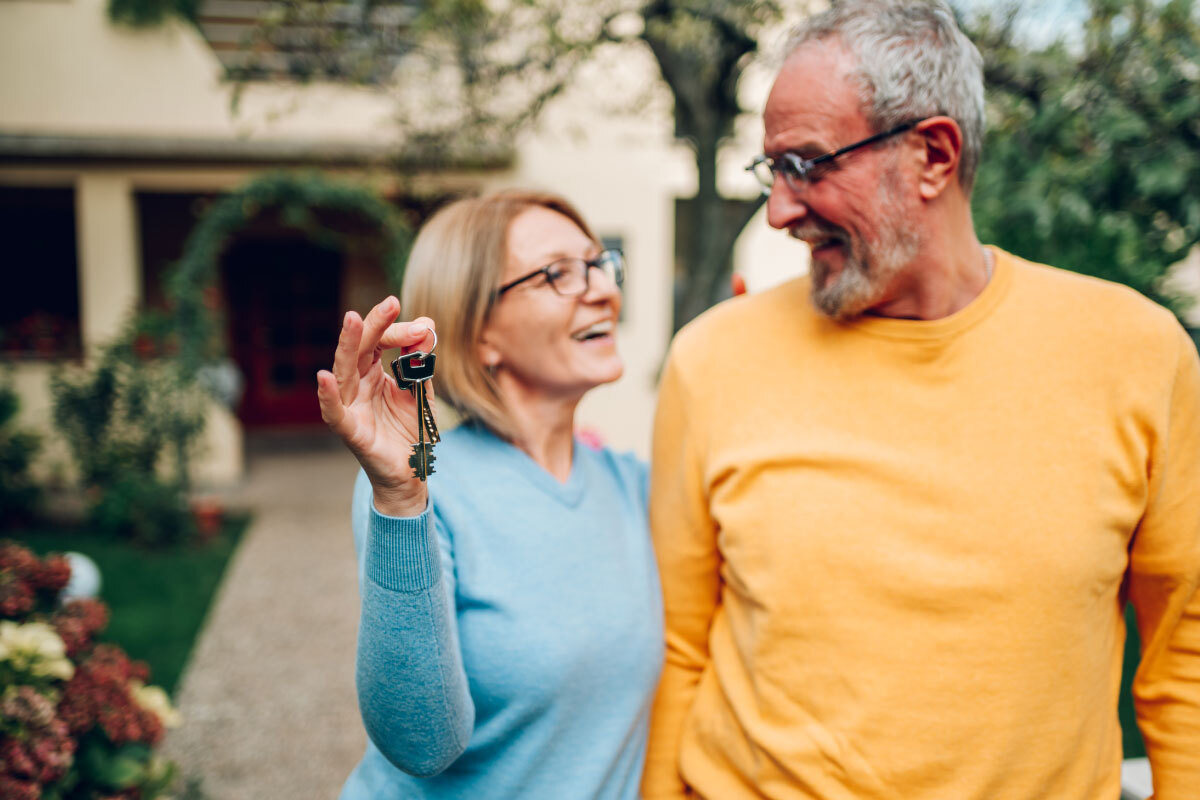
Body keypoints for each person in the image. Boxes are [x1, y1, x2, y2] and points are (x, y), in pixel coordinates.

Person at [642, 2, 1200, 799]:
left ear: (933, 155)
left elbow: (1185, 653)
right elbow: (677, 650)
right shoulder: (710, 360)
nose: (779, 210)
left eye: (807, 165)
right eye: (773, 171)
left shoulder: (1137, 352)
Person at [318, 190, 663, 800]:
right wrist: (399, 500)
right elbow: (423, 748)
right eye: (557, 274)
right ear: (480, 335)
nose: (604, 290)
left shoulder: (634, 486)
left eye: (598, 263)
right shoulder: (422, 487)